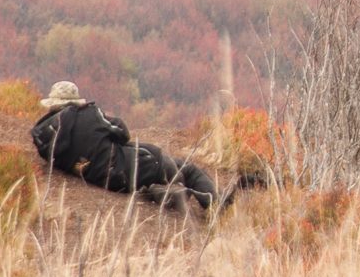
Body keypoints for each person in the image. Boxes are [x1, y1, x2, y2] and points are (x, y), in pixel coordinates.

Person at [30, 81, 222, 211]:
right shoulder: (90, 115)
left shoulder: (44, 139)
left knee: (171, 175)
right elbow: (122, 133)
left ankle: (162, 189)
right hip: (132, 167)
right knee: (188, 170)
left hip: (107, 181)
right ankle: (216, 204)